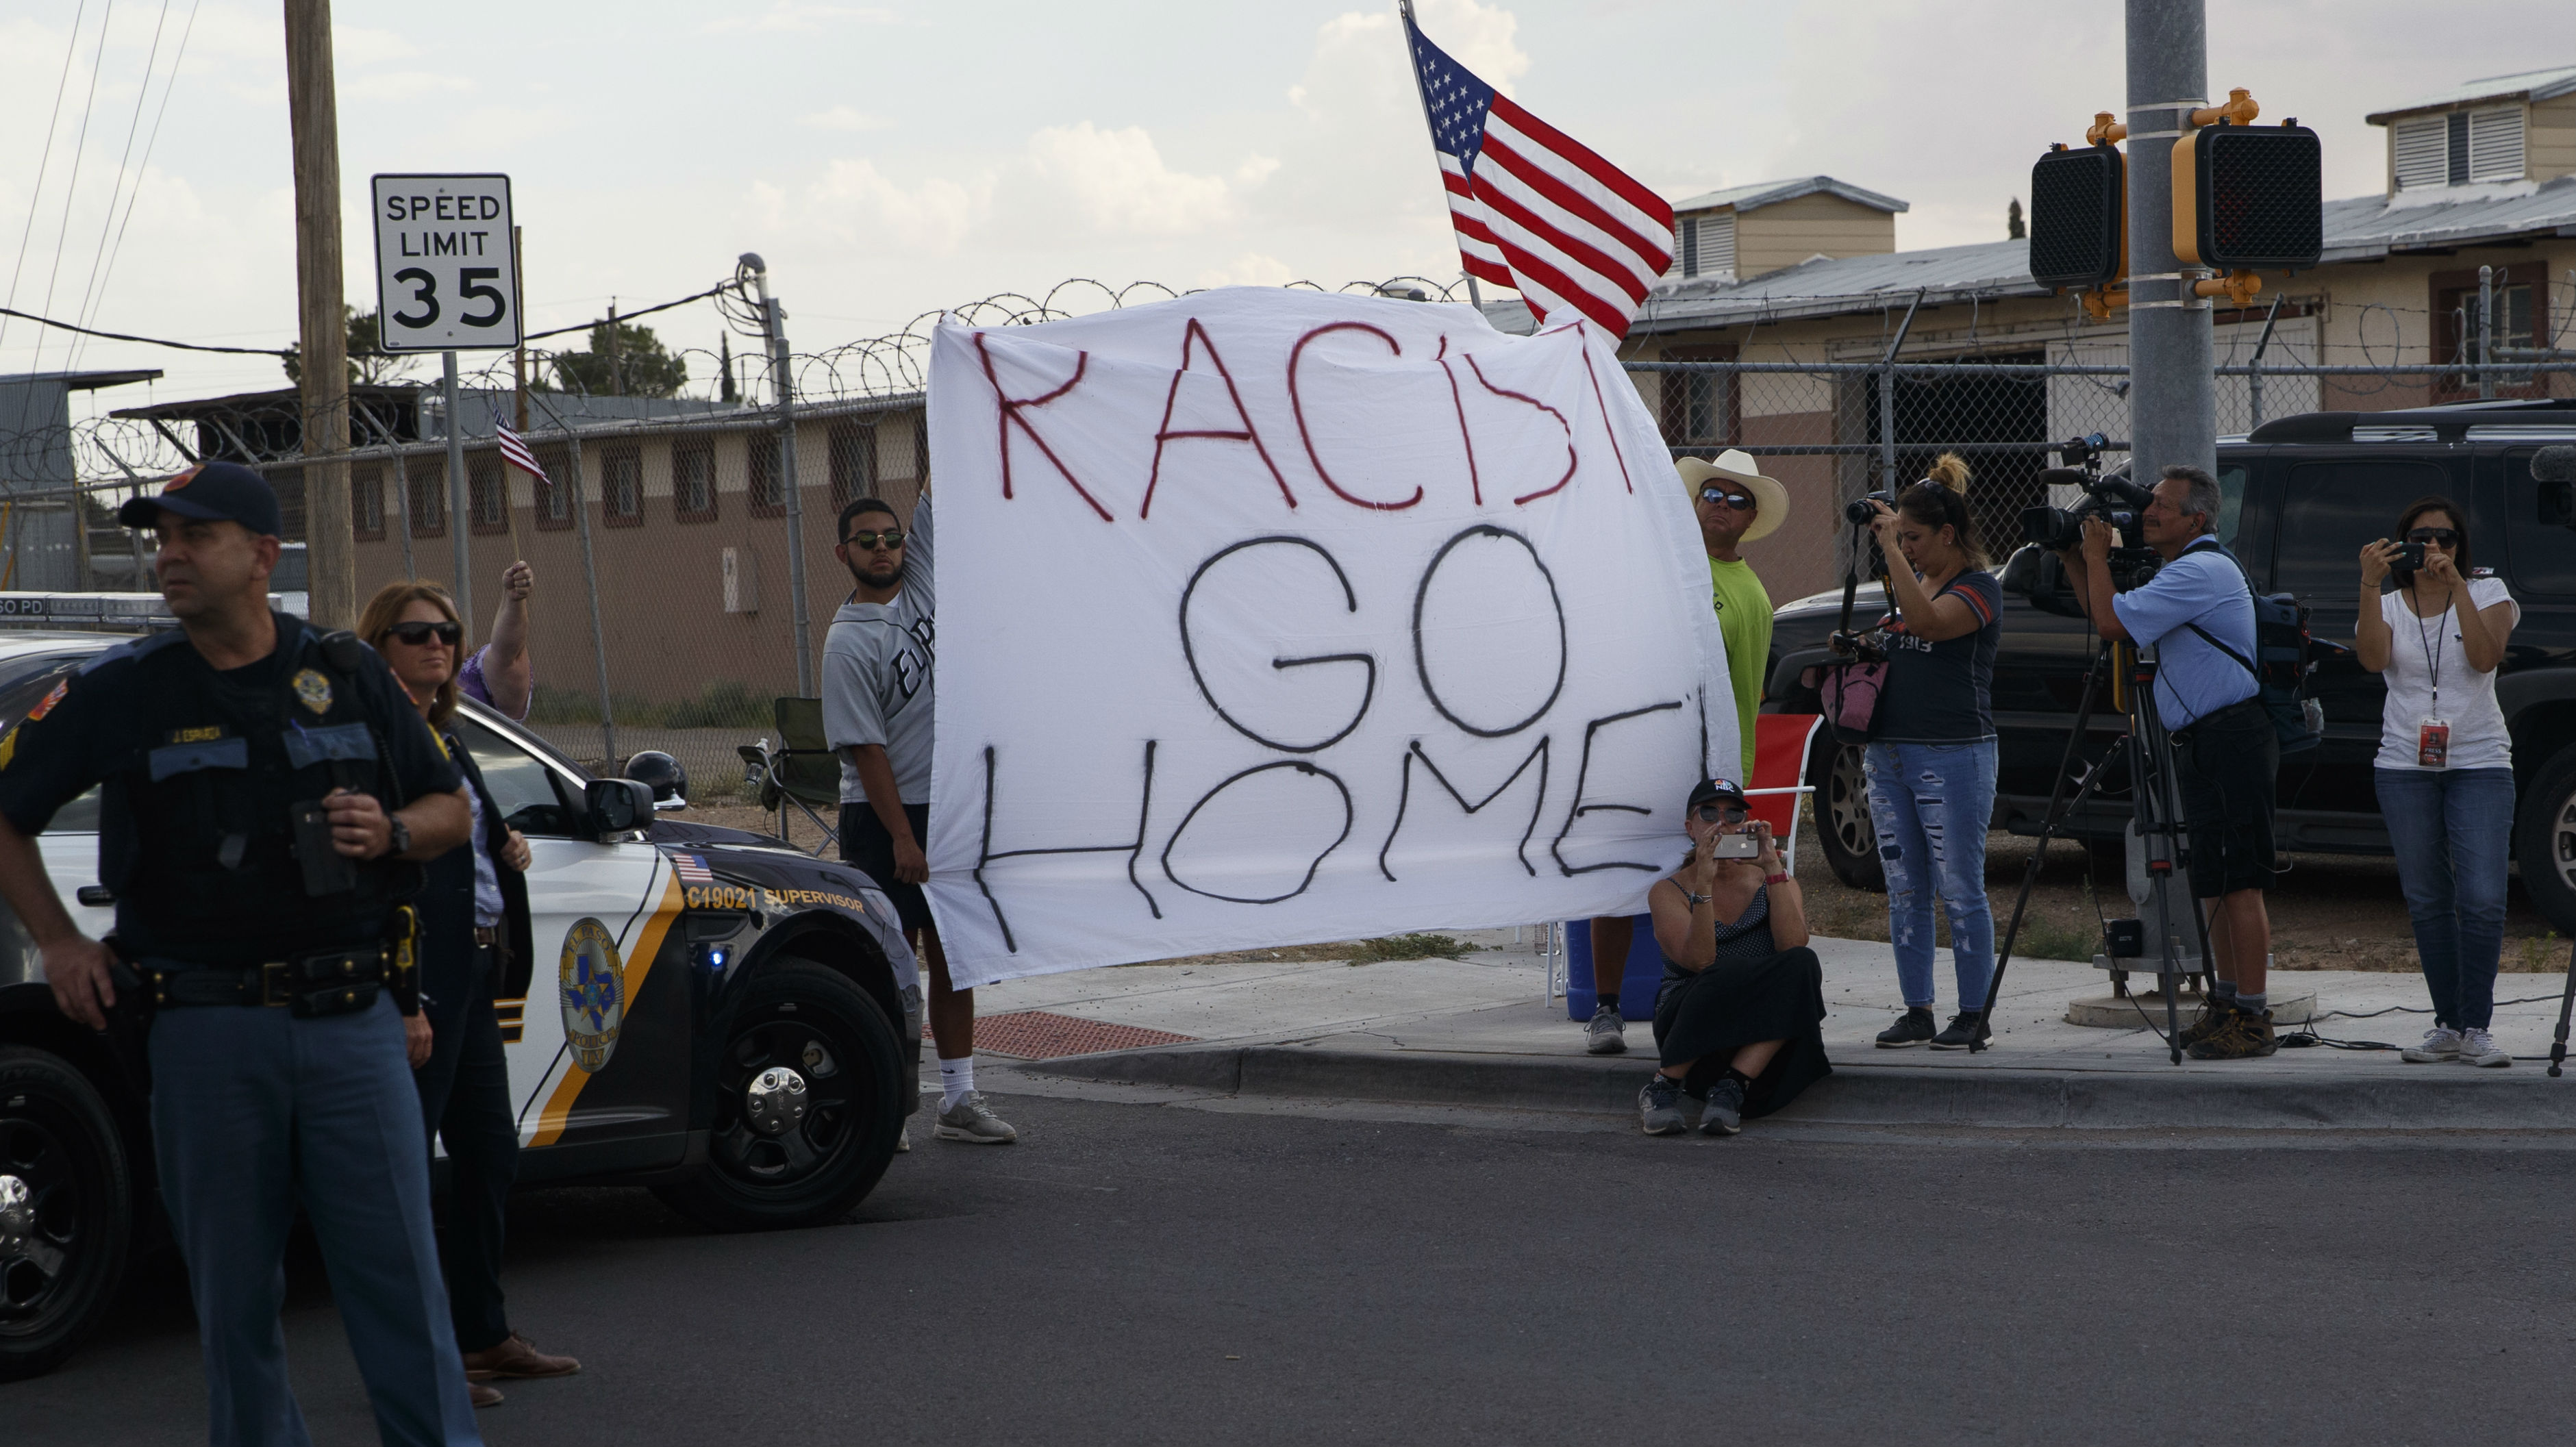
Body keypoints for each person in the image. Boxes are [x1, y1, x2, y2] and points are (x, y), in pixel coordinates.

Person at [0, 462, 482, 1446]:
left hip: (352, 1030)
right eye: (161, 538)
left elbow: (451, 808)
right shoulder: (126, 689)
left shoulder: (346, 675)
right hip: (206, 1033)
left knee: (401, 1285)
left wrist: (389, 831)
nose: (169, 556)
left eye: (195, 536)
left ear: (261, 557)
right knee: (233, 1300)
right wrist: (55, 939)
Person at [364, 581, 583, 1408]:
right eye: (416, 633)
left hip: (473, 974)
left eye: (447, 633)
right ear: (380, 643)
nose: (437, 645)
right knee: (404, 1172)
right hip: (423, 982)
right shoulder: (379, 740)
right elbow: (383, 875)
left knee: (489, 1154)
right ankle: (417, 1358)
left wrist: (502, 840)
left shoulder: (443, 733)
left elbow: (466, 830)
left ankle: (482, 1336)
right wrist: (406, 995)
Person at [2060, 464, 2279, 1061]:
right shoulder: (2178, 571)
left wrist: (2098, 554)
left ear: (2196, 520)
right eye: (2148, 502)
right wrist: (2074, 558)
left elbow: (2111, 619)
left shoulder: (2200, 571)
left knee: (2241, 883)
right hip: (2204, 740)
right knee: (2212, 879)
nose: (2147, 513)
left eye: (2160, 506)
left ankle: (2253, 1016)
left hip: (2231, 737)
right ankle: (2227, 1002)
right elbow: (2111, 623)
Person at [823, 494, 1016, 1144]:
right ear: (843, 553)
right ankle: (892, 1098)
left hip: (948, 806)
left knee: (954, 955)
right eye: (865, 540)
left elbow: (940, 483)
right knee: (894, 961)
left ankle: (958, 1097)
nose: (882, 547)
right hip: (882, 813)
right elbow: (866, 749)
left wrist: (957, 387)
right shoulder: (848, 641)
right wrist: (902, 836)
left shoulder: (924, 584)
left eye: (891, 537)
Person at [1582, 451, 1788, 1057]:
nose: (1721, 506)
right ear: (1695, 503)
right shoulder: (1661, 568)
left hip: (1709, 771)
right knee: (1616, 875)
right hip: (1639, 754)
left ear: (1751, 518)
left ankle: (1699, 1007)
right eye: (1712, 494)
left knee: (1710, 886)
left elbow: (1737, 694)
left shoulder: (1752, 595)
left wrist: (1730, 775)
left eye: (1736, 499)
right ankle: (1606, 1008)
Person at [2357, 497, 2520, 1068]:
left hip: (2479, 761)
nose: (2433, 547)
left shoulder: (2488, 591)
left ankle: (2476, 1024)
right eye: (2420, 537)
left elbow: (2483, 658)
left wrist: (2456, 589)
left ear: (2459, 546)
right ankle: (2447, 1023)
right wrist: (2367, 585)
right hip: (2404, 763)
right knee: (2428, 899)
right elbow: (2372, 660)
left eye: (2444, 538)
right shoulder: (2389, 602)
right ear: (2399, 543)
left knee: (2480, 897)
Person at [1852, 457, 2003, 1050]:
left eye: (1913, 538)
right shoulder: (1915, 585)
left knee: (1959, 886)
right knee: (1905, 888)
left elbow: (1931, 626)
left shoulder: (1978, 588)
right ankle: (1917, 1006)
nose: (1907, 548)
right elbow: (1905, 631)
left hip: (1953, 753)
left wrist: (1889, 549)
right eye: (1900, 536)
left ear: (1946, 533)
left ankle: (1973, 1012)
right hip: (1888, 754)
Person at [1636, 777, 1830, 1136]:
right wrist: (1705, 885)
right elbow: (1699, 961)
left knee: (1803, 962)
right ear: (1690, 828)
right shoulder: (1669, 891)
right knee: (1729, 968)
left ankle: (1732, 1087)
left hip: (1760, 1033)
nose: (1721, 823)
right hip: (1690, 1030)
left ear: (1746, 825)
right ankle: (1663, 1087)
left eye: (1734, 814)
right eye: (1708, 813)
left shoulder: (1774, 881)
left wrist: (1773, 869)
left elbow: (1792, 946)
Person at [457, 560, 534, 720]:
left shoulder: (473, 675)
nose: (435, 640)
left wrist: (513, 599)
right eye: (419, 633)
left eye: (447, 629)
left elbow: (507, 656)